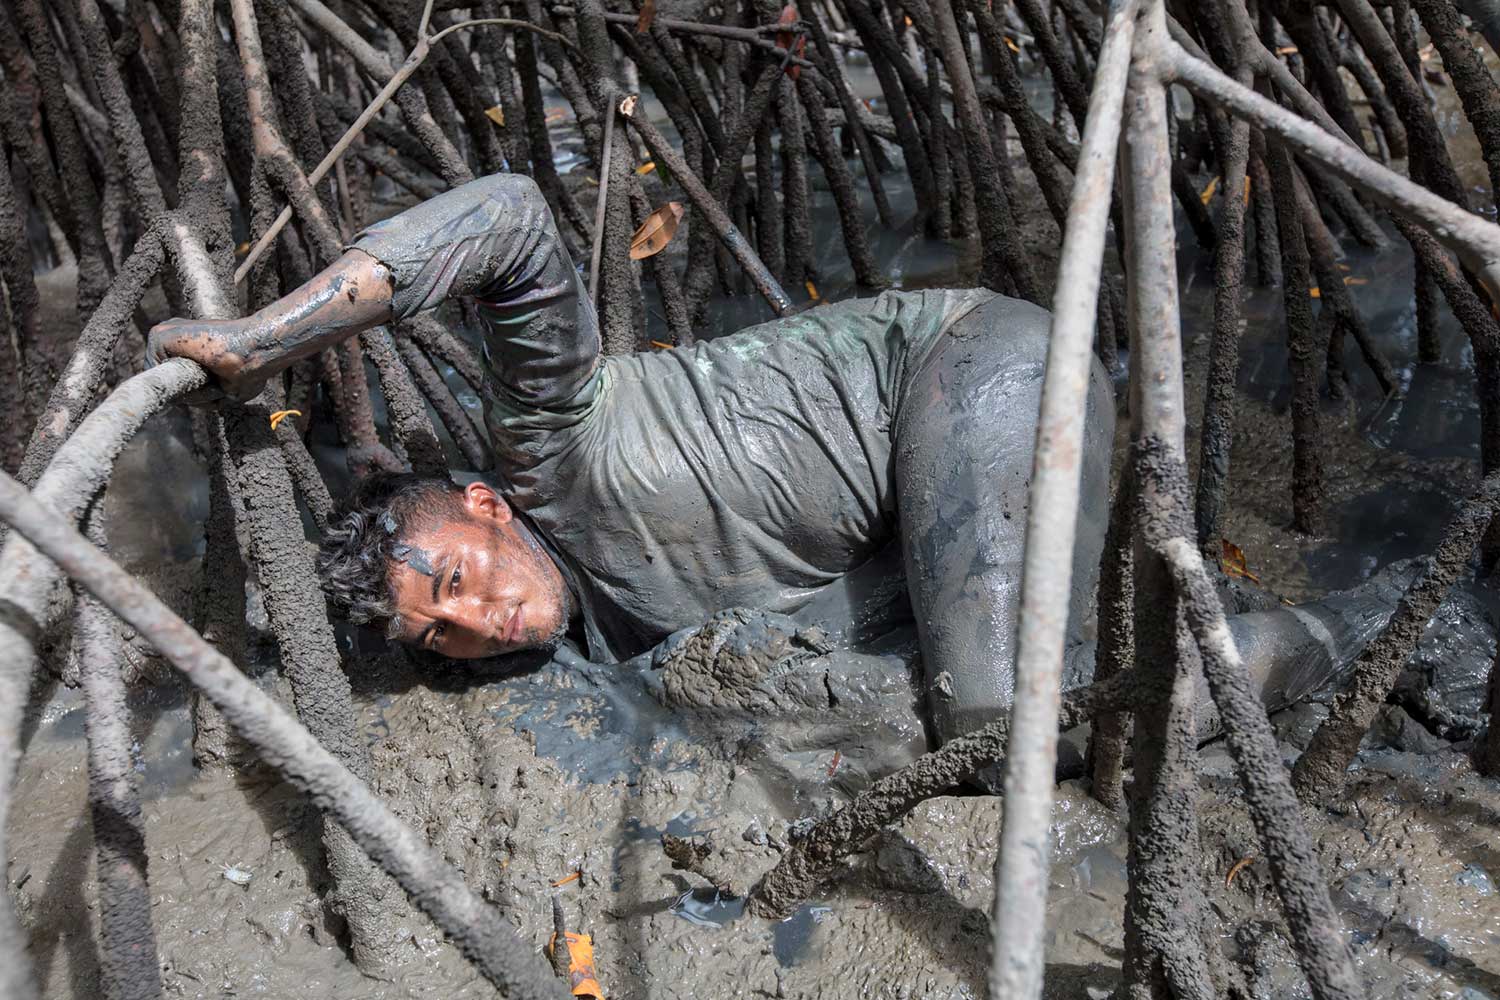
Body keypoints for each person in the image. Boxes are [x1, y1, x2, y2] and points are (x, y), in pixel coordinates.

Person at [148, 173, 1394, 745]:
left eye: (460, 579)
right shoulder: (603, 639)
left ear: (485, 504)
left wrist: (269, 336)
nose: (483, 621)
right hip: (916, 524)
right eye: (447, 636)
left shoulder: (547, 449)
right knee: (951, 700)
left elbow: (517, 218)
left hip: (965, 374)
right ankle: (1226, 645)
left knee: (1004, 723)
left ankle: (1311, 640)